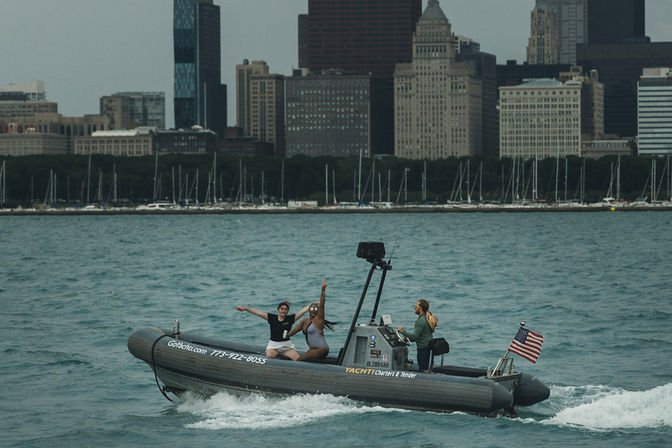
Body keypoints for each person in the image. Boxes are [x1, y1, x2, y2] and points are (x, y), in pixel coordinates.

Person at [236, 300, 309, 360]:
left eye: (286, 309)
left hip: (286, 346)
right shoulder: (272, 318)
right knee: (269, 357)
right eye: (282, 309)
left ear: (288, 311)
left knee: (298, 359)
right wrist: (246, 309)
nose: (283, 311)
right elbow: (258, 313)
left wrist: (314, 305)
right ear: (278, 309)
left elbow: (303, 311)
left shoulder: (290, 319)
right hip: (273, 345)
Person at [288, 279, 335, 361]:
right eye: (312, 308)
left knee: (299, 361)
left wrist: (323, 291)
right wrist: (285, 334)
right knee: (301, 359)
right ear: (309, 310)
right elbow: (293, 332)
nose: (314, 310)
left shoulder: (318, 320)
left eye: (316, 308)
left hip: (322, 349)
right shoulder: (304, 321)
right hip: (313, 349)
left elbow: (322, 305)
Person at [397, 298, 434, 373]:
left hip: (423, 349)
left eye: (416, 307)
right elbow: (420, 336)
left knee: (424, 369)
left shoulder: (421, 321)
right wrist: (407, 339)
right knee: (427, 367)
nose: (415, 308)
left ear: (421, 309)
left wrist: (403, 331)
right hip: (428, 347)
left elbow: (415, 336)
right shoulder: (426, 319)